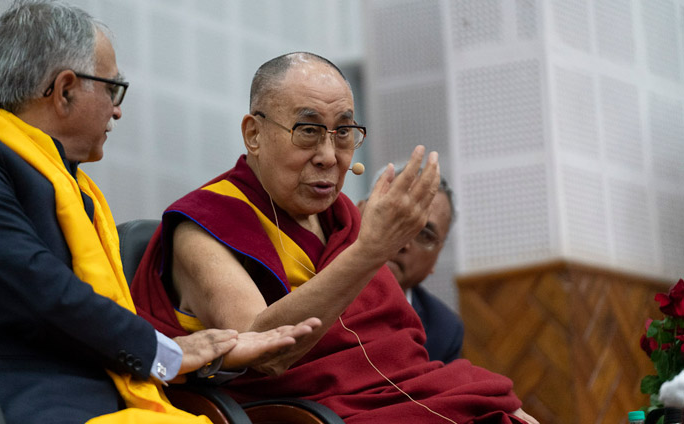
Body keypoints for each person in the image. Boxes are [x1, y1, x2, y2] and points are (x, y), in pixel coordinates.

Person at [0, 2, 319, 423]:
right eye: (112, 89)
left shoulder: (74, 190)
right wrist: (165, 351)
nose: (117, 110)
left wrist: (206, 353)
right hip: (19, 401)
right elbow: (33, 285)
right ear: (65, 90)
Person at [132, 52, 539, 424]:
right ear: (254, 134)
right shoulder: (204, 224)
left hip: (390, 401)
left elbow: (400, 355)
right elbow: (263, 351)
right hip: (299, 415)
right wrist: (370, 251)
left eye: (344, 133)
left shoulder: (341, 218)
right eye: (308, 130)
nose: (330, 155)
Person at [358, 171, 463, 363]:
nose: (402, 241)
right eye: (394, 217)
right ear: (359, 211)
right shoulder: (309, 275)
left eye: (424, 235)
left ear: (437, 257)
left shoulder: (444, 331)